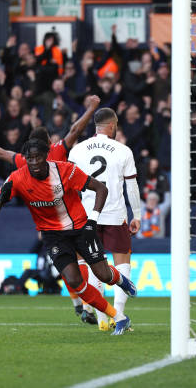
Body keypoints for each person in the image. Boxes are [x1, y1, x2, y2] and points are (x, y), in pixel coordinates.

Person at [0, 95, 101, 320]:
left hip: (47, 221)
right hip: (70, 214)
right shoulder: (56, 151)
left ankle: (77, 303)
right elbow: (76, 130)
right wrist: (92, 108)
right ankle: (88, 306)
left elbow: (0, 152)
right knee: (80, 259)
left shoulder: (24, 160)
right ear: (47, 142)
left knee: (65, 262)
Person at [0, 138, 137, 335]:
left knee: (103, 274)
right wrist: (1, 200)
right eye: (29, 159)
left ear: (45, 157)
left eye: (38, 158)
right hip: (53, 236)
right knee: (74, 280)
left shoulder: (65, 170)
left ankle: (122, 280)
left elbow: (101, 188)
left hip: (81, 228)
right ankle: (119, 317)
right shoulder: (17, 178)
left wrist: (93, 220)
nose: (33, 163)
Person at [69, 107, 142, 331]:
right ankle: (118, 314)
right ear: (112, 125)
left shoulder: (77, 150)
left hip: (87, 215)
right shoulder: (123, 150)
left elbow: (70, 187)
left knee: (93, 265)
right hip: (114, 214)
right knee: (122, 265)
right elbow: (132, 186)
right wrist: (136, 215)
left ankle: (103, 319)